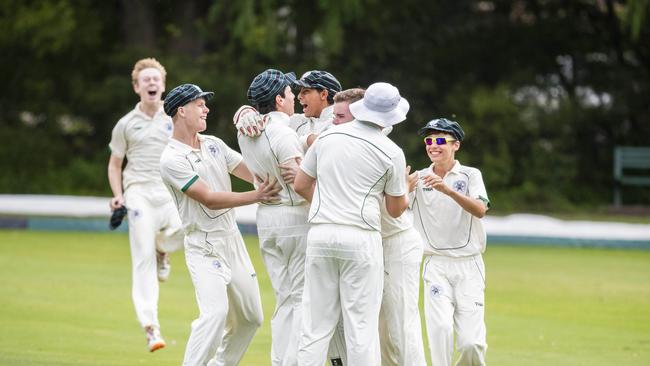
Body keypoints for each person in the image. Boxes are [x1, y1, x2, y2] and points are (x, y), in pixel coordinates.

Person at [159, 83, 281, 366]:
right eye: (200, 105)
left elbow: (253, 171)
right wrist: (257, 196)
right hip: (204, 246)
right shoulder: (171, 159)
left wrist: (275, 155)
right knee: (214, 315)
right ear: (181, 110)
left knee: (251, 318)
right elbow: (209, 199)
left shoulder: (213, 143)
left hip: (232, 241)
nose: (206, 109)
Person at [293, 82, 410, 365]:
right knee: (361, 329)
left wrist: (325, 204)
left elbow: (301, 184)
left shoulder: (328, 137)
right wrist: (404, 186)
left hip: (321, 233)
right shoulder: (391, 151)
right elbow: (395, 210)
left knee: (315, 328)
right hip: (361, 238)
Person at [328, 88, 427, 366]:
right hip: (369, 244)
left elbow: (394, 210)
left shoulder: (382, 147)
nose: (333, 121)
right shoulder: (341, 140)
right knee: (376, 326)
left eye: (339, 116)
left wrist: (405, 191)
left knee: (401, 323)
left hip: (397, 242)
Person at [107, 57, 184, 352]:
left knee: (184, 230)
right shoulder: (125, 124)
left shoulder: (175, 117)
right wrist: (118, 194)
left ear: (163, 86)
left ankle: (162, 248)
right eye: (146, 80)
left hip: (169, 191)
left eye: (156, 79)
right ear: (137, 87)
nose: (152, 83)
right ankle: (151, 328)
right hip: (138, 191)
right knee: (141, 257)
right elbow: (115, 165)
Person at [237, 69, 309, 366]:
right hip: (294, 217)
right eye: (290, 94)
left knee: (284, 298)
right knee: (302, 298)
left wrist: (242, 112)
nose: (294, 98)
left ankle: (280, 361)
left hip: (267, 219)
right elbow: (300, 185)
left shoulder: (246, 130)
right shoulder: (284, 133)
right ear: (279, 100)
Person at [411, 118, 490, 366]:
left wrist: (448, 190)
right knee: (440, 331)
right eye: (429, 140)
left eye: (439, 140)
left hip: (469, 265)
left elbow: (480, 209)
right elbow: (397, 209)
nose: (433, 146)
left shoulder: (470, 175)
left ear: (456, 145)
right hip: (435, 265)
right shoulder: (418, 178)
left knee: (471, 344)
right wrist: (402, 187)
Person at [233, 70, 342, 149]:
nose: (298, 96)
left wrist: (304, 140)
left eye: (306, 91)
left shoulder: (340, 124)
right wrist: (245, 112)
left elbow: (329, 145)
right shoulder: (298, 120)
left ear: (323, 94)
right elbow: (269, 116)